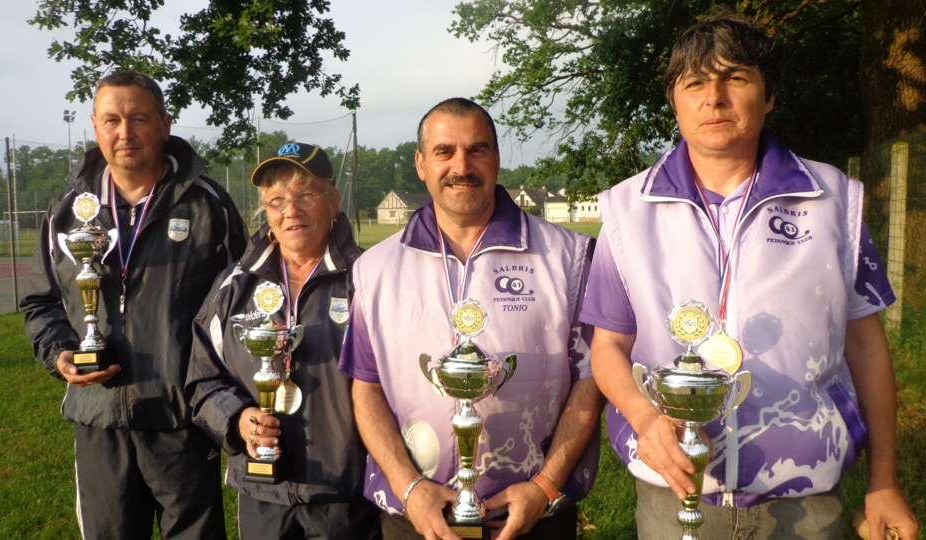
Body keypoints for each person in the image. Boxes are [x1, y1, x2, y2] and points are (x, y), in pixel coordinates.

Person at [580, 11, 920, 540]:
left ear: (769, 96)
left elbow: (867, 346)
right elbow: (608, 346)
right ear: (675, 100)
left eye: (735, 78)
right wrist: (646, 419)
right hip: (675, 495)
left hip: (807, 503)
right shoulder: (627, 210)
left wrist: (883, 481)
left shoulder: (833, 200)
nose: (713, 97)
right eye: (694, 82)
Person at [338, 97, 604, 540]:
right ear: (421, 164)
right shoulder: (375, 268)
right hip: (417, 514)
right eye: (444, 152)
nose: (461, 165)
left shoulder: (568, 256)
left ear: (497, 159)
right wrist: (410, 489)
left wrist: (544, 486)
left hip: (534, 512)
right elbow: (366, 387)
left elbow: (592, 379)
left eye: (477, 149)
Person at [21, 70, 248, 539]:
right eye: (111, 120)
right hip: (98, 416)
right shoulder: (66, 211)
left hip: (184, 419)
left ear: (165, 124)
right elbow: (41, 301)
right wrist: (60, 352)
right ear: (94, 126)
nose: (124, 133)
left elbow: (242, 309)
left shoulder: (209, 207)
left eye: (139, 118)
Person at [185, 143, 381, 539]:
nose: (291, 210)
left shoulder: (370, 281)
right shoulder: (234, 287)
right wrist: (237, 419)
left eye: (306, 195)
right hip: (262, 492)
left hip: (347, 495)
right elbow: (202, 380)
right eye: (276, 200)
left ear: (333, 203)